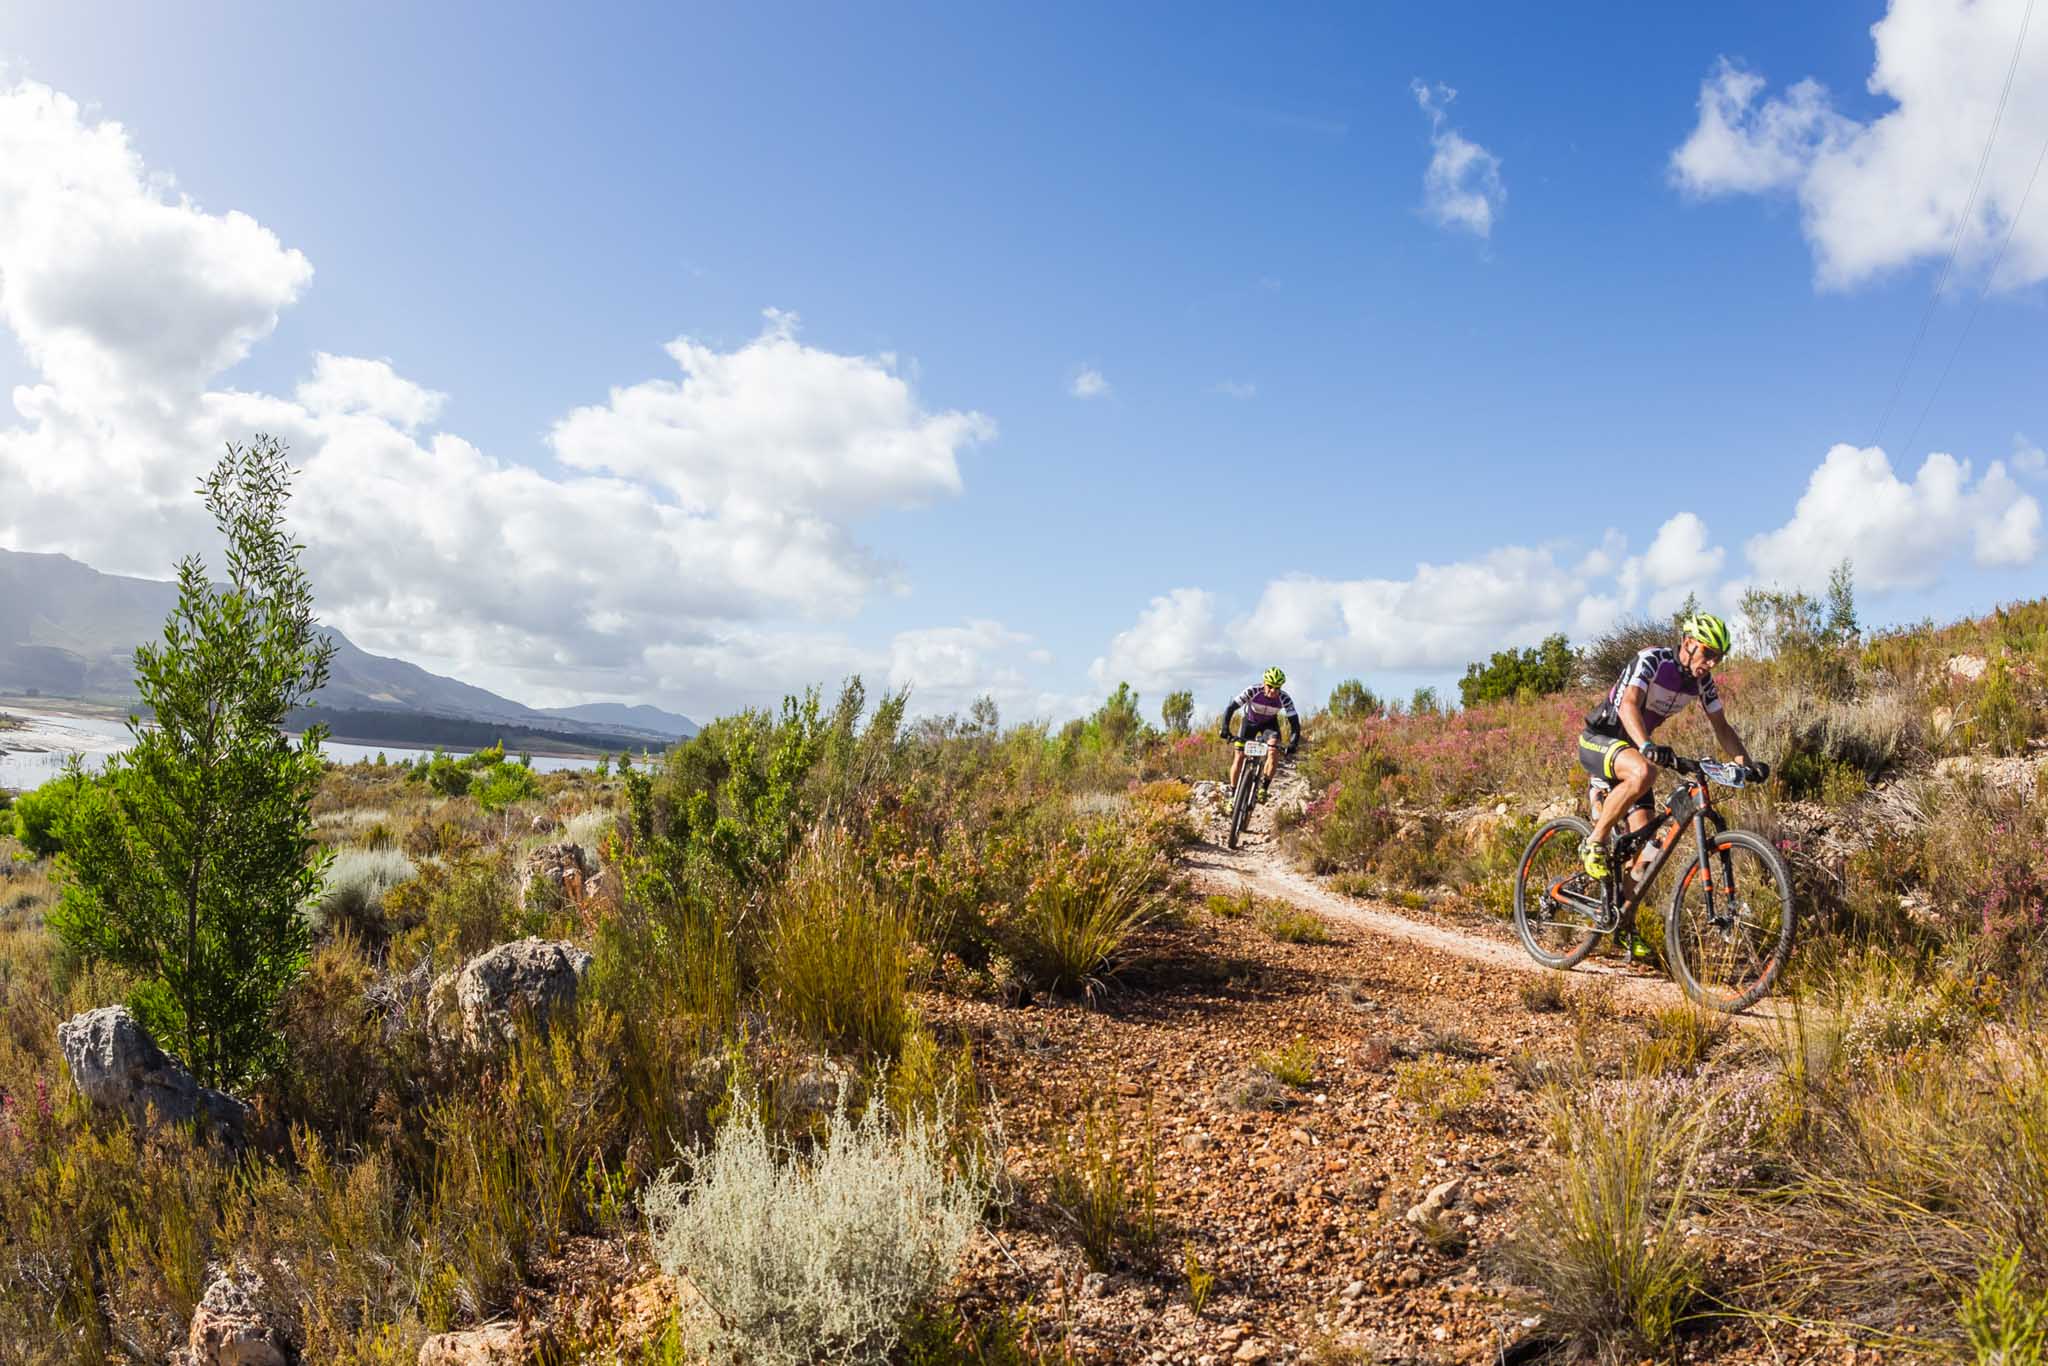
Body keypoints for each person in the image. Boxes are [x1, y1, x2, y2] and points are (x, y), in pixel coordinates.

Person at [1577, 612, 1757, 901]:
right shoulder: (1653, 660)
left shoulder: (1703, 682)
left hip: (1634, 751)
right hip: (1601, 738)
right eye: (1707, 653)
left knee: (1648, 853)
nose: (1710, 663)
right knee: (1645, 771)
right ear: (1688, 643)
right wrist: (1647, 746)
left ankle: (1622, 920)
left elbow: (1721, 726)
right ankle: (1594, 843)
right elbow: (1628, 705)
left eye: (1717, 658)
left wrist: (1745, 765)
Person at [1220, 667, 1301, 801]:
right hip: (1250, 722)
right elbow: (1231, 708)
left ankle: (1263, 788)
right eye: (1270, 686)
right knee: (1239, 756)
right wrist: (1225, 728)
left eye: (1277, 687)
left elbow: (1294, 723)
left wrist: (1293, 743)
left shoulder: (1284, 698)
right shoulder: (1253, 690)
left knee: (1273, 749)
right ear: (1264, 683)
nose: (1273, 691)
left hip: (1269, 725)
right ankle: (1234, 795)